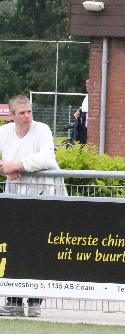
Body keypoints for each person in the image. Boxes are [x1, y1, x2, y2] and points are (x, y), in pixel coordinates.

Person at [0, 95, 65, 318]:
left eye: (29, 111)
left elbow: (47, 158)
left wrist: (18, 165)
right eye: (22, 113)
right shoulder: (4, 132)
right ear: (11, 115)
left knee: (38, 247)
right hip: (15, 197)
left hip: (42, 197)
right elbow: (8, 164)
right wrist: (5, 167)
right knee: (15, 246)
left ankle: (35, 301)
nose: (27, 116)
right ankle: (14, 301)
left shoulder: (42, 130)